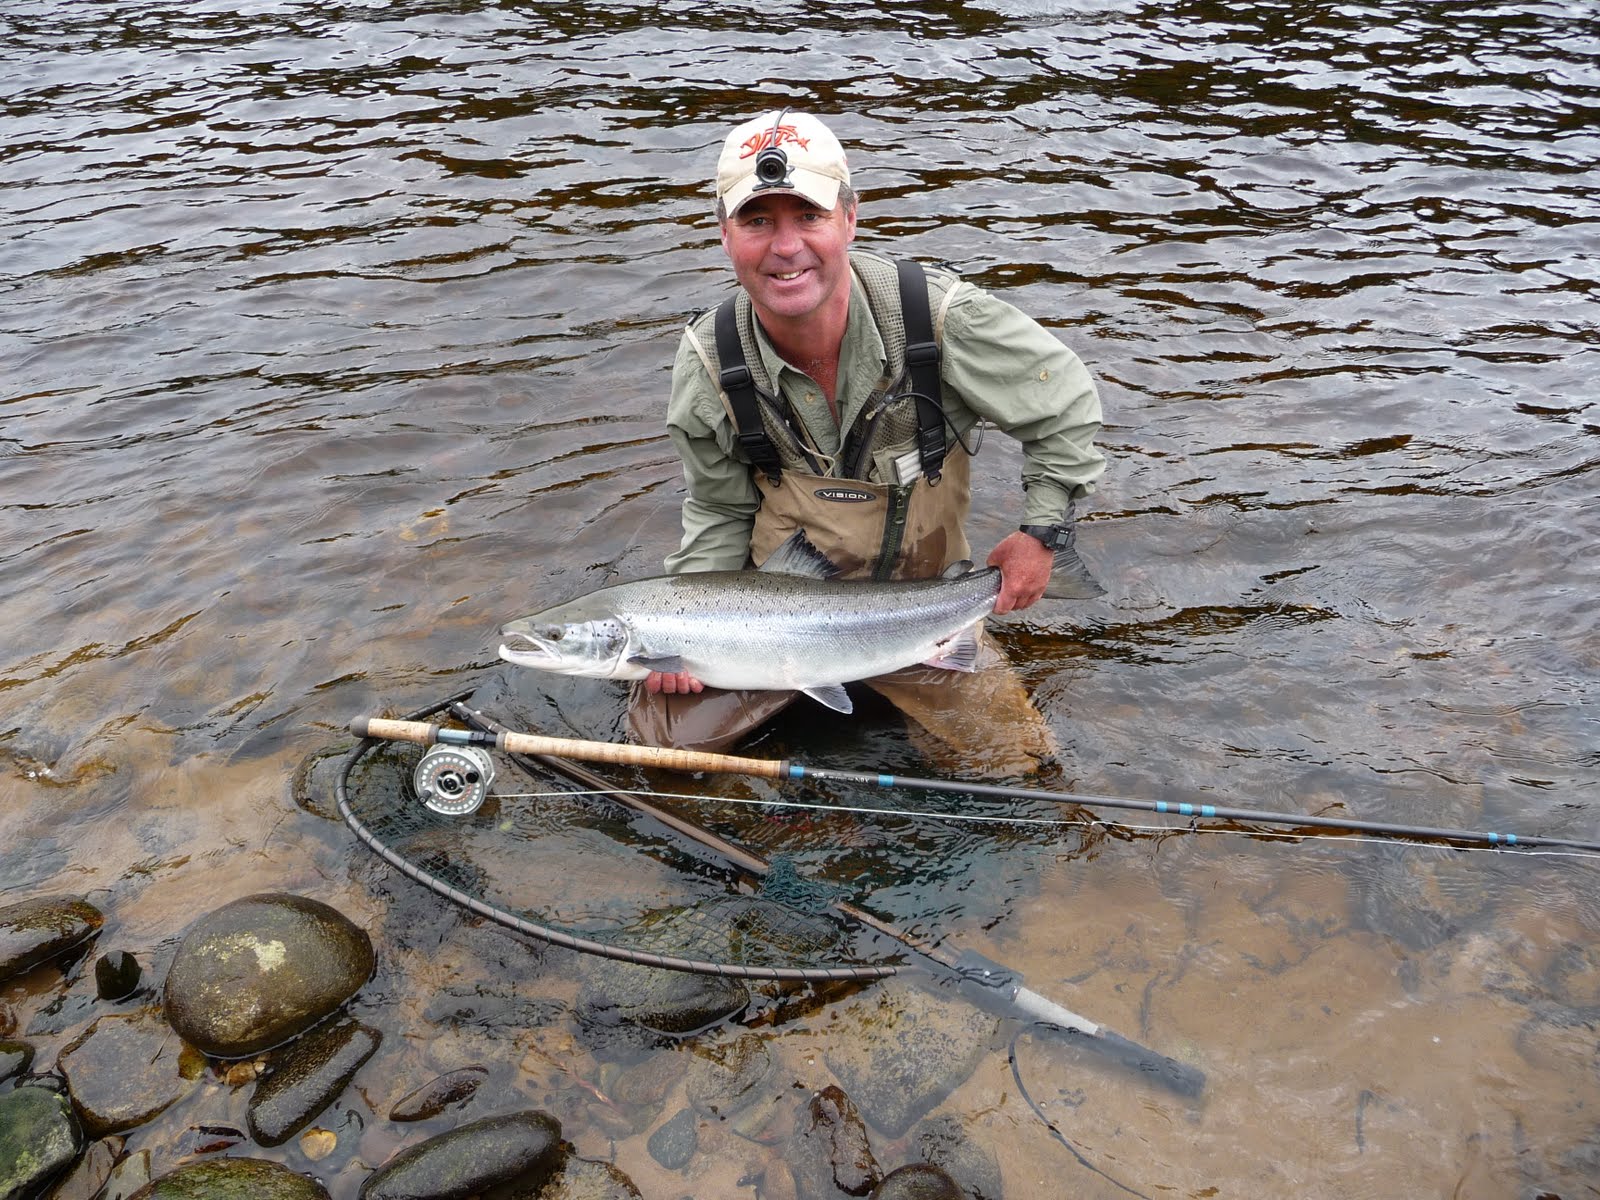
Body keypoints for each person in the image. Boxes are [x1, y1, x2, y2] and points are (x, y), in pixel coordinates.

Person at [628, 110, 1105, 773]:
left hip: (922, 615)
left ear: (849, 219)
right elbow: (718, 510)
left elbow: (1066, 405)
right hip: (770, 626)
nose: (785, 246)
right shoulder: (709, 361)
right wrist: (680, 632)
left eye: (808, 217)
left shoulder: (938, 320)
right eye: (757, 220)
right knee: (661, 753)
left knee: (1015, 767)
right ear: (725, 234)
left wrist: (1044, 535)